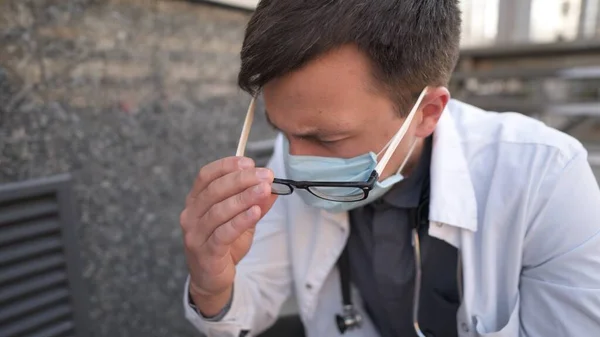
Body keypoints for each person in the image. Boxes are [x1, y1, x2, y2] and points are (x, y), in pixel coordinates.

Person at [179, 0, 600, 336]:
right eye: (283, 132)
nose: (296, 159)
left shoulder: (546, 178)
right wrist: (211, 285)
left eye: (327, 139)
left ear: (427, 112)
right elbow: (246, 308)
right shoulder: (291, 155)